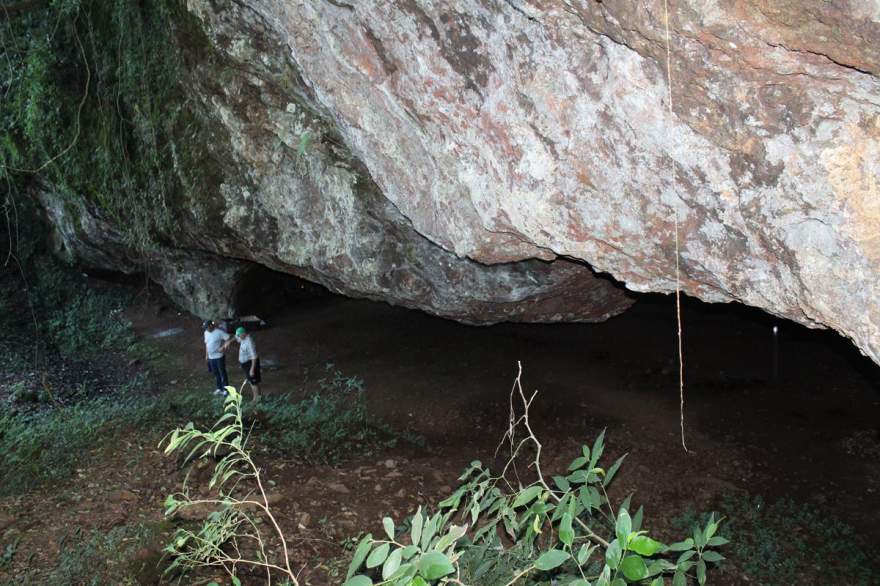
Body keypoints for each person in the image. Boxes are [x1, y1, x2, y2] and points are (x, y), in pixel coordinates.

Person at [230, 326, 261, 402]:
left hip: (250, 363)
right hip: (245, 364)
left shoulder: (249, 342)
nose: (237, 337)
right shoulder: (242, 337)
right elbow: (235, 338)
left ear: (243, 334)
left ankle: (256, 399)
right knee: (251, 381)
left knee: (253, 382)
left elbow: (254, 357)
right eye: (237, 335)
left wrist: (252, 369)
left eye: (238, 335)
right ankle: (259, 396)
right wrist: (228, 342)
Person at [203, 320, 230, 396]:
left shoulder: (219, 332)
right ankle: (219, 388)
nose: (205, 329)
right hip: (211, 357)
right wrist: (206, 355)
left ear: (211, 326)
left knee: (222, 373)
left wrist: (223, 347)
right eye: (205, 327)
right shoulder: (206, 333)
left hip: (219, 356)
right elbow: (206, 344)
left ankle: (226, 390)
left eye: (206, 327)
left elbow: (228, 338)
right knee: (215, 373)